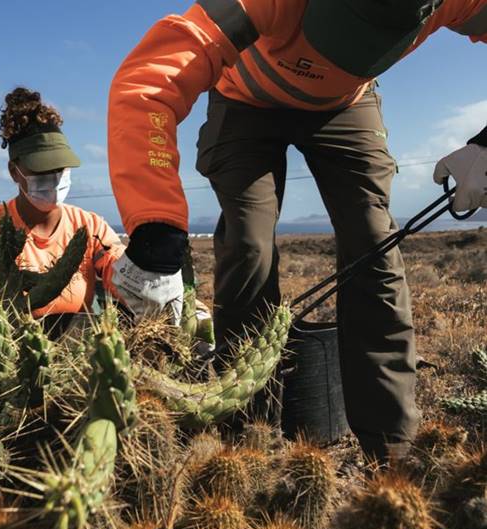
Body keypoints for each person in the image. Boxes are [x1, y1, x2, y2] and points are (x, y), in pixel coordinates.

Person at [108, 0, 487, 463]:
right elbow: (151, 80)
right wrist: (156, 233)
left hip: (345, 104)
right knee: (249, 246)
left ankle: (392, 453)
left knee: (375, 247)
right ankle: (248, 439)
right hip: (244, 100)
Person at [0, 87, 124, 332]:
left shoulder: (89, 226)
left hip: (79, 353)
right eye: (41, 171)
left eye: (60, 169)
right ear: (14, 172)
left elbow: (117, 267)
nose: (53, 179)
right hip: (13, 353)